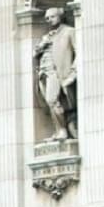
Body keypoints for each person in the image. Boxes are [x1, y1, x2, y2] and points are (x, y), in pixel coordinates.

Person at [34, 7, 77, 141]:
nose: (49, 20)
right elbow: (35, 54)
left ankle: (63, 130)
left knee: (52, 100)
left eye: (52, 17)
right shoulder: (46, 37)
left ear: (60, 16)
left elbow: (79, 52)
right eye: (47, 18)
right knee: (50, 103)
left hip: (57, 72)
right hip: (44, 73)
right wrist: (41, 47)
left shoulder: (69, 31)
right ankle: (59, 130)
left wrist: (73, 74)